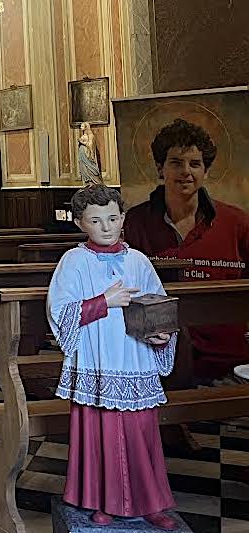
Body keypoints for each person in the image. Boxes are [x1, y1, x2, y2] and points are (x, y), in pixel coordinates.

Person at [48, 185, 178, 530]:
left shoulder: (139, 260)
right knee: (100, 433)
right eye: (95, 220)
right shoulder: (74, 261)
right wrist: (104, 302)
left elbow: (159, 305)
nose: (106, 226)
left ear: (122, 218)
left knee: (141, 432)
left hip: (135, 358)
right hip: (98, 359)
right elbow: (60, 313)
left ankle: (151, 503)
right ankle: (101, 501)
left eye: (112, 218)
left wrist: (162, 334)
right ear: (80, 224)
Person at [124, 118, 249, 381]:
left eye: (195, 164)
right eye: (176, 163)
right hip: (157, 359)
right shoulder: (135, 223)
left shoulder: (236, 222)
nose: (186, 172)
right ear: (160, 169)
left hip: (228, 359)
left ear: (206, 171)